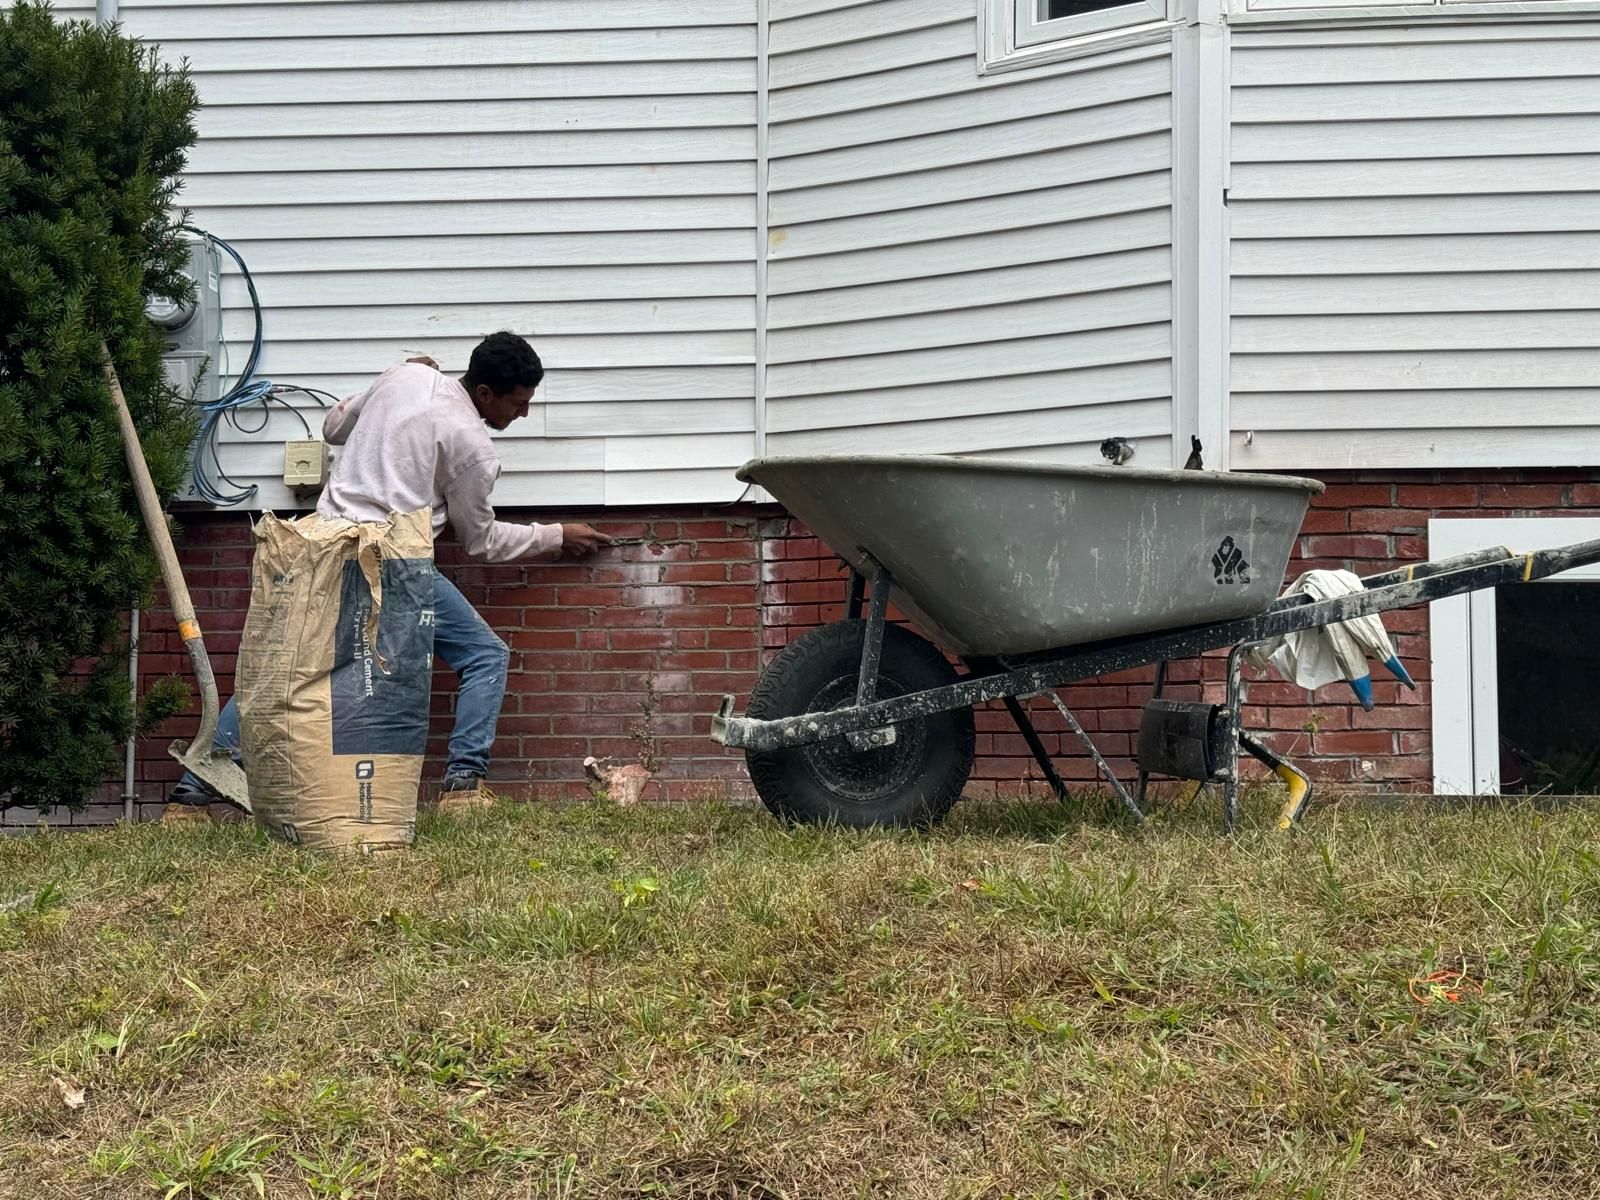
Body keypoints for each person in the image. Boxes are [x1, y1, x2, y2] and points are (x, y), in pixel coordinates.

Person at [170, 331, 611, 812]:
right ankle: (464, 786)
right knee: (485, 656)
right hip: (392, 562)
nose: (523, 414)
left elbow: (333, 426)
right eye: (518, 403)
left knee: (288, 668)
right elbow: (481, 541)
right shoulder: (474, 449)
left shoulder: (406, 376)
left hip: (322, 546)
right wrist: (556, 536)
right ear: (485, 394)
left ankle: (191, 795)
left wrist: (387, 379)